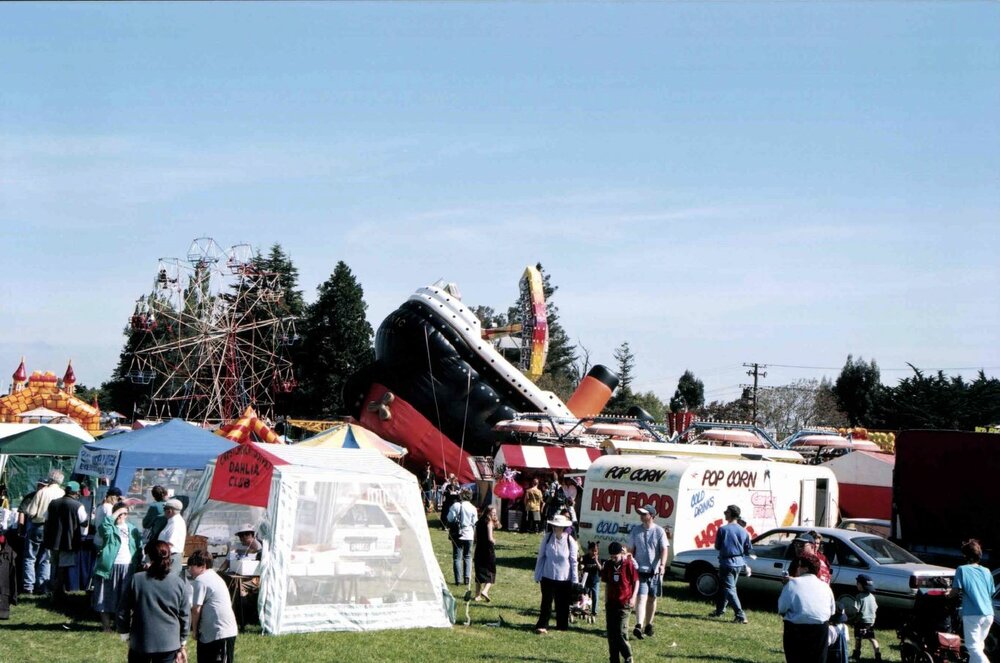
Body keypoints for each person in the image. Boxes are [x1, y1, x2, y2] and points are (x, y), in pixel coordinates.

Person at [117, 540, 190, 663]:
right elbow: (185, 615)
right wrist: (182, 641)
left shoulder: (136, 580)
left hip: (140, 641)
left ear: (149, 557)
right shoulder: (179, 583)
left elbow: (123, 610)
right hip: (169, 643)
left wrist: (125, 634)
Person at [93, 502, 142, 632]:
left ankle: (121, 625)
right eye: (119, 513)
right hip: (109, 566)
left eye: (124, 513)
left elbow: (138, 546)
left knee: (125, 598)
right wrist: (115, 514)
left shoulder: (132, 528)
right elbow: (103, 527)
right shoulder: (109, 527)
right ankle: (106, 626)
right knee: (105, 595)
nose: (122, 516)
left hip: (128, 566)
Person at [778, 554, 836, 663]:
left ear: (806, 569)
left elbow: (781, 608)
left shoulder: (792, 584)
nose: (797, 569)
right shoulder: (825, 586)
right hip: (820, 630)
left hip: (796, 629)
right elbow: (832, 611)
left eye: (799, 566)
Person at [187, 550, 238, 663]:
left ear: (203, 566)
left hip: (221, 632)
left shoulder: (201, 580)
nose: (190, 570)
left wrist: (194, 631)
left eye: (192, 567)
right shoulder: (214, 576)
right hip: (212, 633)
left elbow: (196, 609)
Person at [19, 470, 65, 595]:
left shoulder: (42, 492)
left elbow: (31, 512)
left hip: (38, 525)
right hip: (54, 528)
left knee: (30, 557)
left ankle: (28, 585)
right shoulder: (62, 493)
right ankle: (43, 585)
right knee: (46, 559)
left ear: (50, 479)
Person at [627, 505, 669, 639]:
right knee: (641, 597)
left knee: (652, 598)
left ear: (651, 516)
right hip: (640, 570)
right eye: (641, 513)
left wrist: (662, 565)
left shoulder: (659, 531)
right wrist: (630, 561)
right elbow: (630, 549)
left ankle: (649, 625)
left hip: (655, 571)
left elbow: (664, 549)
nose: (641, 515)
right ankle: (638, 625)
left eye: (644, 514)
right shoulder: (635, 531)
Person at [950, 538, 995, 663]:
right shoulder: (987, 571)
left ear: (965, 555)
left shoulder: (962, 569)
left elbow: (955, 592)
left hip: (972, 614)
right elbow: (990, 591)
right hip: (989, 614)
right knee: (979, 646)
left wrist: (947, 595)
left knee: (972, 647)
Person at [533, 513, 578, 634]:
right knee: (546, 603)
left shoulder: (570, 541)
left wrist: (575, 580)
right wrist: (537, 574)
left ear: (562, 527)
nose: (554, 528)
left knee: (562, 603)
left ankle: (562, 626)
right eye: (553, 525)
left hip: (564, 578)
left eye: (557, 526)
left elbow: (574, 561)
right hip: (547, 576)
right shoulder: (547, 538)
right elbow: (541, 557)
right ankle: (542, 625)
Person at [43, 479, 88, 599]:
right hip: (69, 541)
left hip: (53, 541)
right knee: (62, 568)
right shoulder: (78, 505)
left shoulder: (53, 503)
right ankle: (57, 592)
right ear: (76, 492)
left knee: (54, 566)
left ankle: (53, 590)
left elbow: (46, 520)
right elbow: (84, 522)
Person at [711, 504, 752, 624]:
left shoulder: (723, 529)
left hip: (727, 563)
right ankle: (719, 611)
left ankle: (740, 615)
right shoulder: (744, 531)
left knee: (729, 589)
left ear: (732, 514)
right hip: (739, 563)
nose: (724, 513)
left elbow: (717, 546)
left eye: (726, 512)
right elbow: (748, 549)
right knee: (725, 588)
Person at [601, 541, 639, 663]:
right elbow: (607, 583)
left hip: (624, 604)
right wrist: (606, 600)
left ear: (621, 554)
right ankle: (614, 659)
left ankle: (628, 657)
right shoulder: (608, 565)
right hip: (611, 603)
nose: (613, 559)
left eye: (615, 557)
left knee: (621, 632)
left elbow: (636, 581)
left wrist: (633, 598)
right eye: (611, 557)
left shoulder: (628, 564)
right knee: (611, 634)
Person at [446, 488, 477, 586]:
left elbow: (449, 519)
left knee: (457, 557)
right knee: (468, 557)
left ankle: (458, 580)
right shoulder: (473, 508)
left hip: (457, 534)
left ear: (461, 496)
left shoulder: (456, 505)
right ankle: (467, 578)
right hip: (469, 534)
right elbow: (474, 522)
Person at [851, 574, 880, 662]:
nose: (856, 585)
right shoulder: (872, 596)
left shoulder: (859, 596)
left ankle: (856, 654)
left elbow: (856, 609)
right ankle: (878, 655)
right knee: (872, 638)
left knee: (858, 638)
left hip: (861, 621)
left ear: (861, 585)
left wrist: (853, 617)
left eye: (857, 583)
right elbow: (875, 608)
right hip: (871, 621)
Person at [473, 505, 500, 602]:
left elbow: (475, 537)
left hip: (479, 549)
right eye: (493, 513)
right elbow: (490, 538)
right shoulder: (489, 522)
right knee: (491, 571)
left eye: (495, 513)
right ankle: (485, 591)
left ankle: (477, 596)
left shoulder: (478, 522)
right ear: (488, 513)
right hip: (488, 550)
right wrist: (494, 541)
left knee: (479, 572)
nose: (494, 514)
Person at [157, 499, 187, 576]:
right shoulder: (173, 521)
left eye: (164, 509)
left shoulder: (175, 523)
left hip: (171, 558)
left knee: (169, 580)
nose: (164, 512)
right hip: (170, 557)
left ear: (169, 511)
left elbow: (169, 544)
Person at [581, 540, 603, 621]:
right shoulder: (585, 557)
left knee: (595, 596)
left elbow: (600, 569)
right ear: (589, 550)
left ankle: (594, 611)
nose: (594, 552)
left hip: (595, 580)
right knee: (585, 595)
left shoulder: (598, 558)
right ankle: (584, 609)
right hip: (586, 580)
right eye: (592, 550)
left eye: (596, 551)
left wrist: (596, 560)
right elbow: (581, 567)